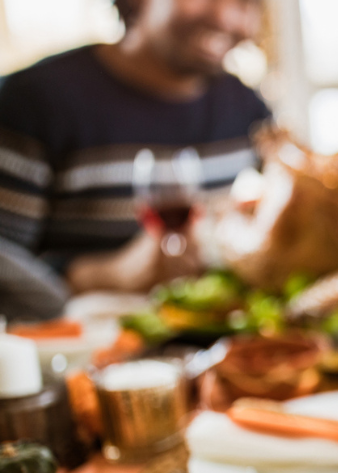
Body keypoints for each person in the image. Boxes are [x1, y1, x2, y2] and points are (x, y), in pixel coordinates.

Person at [0, 0, 268, 306]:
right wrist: (111, 275)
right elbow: (6, 268)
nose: (226, 18)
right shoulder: (30, 103)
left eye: (247, 3)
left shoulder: (248, 110)